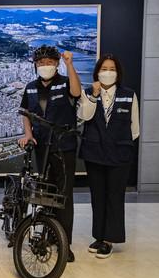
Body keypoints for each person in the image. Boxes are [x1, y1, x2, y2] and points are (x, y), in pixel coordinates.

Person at [18, 45, 81, 262]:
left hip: (64, 147)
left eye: (50, 62)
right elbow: (26, 113)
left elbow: (76, 93)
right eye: (41, 62)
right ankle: (47, 234)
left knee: (64, 196)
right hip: (41, 146)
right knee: (44, 192)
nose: (45, 66)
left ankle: (65, 243)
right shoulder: (30, 88)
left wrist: (70, 64)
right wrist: (28, 134)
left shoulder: (65, 82)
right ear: (36, 65)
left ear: (56, 64)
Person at [77, 54, 139, 259]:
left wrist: (117, 142)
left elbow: (135, 128)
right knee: (98, 196)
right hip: (94, 153)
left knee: (114, 196)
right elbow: (84, 116)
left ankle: (109, 240)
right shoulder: (88, 93)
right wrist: (94, 96)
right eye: (104, 69)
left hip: (119, 154)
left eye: (112, 69)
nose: (108, 72)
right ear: (97, 72)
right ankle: (99, 236)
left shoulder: (128, 95)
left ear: (118, 73)